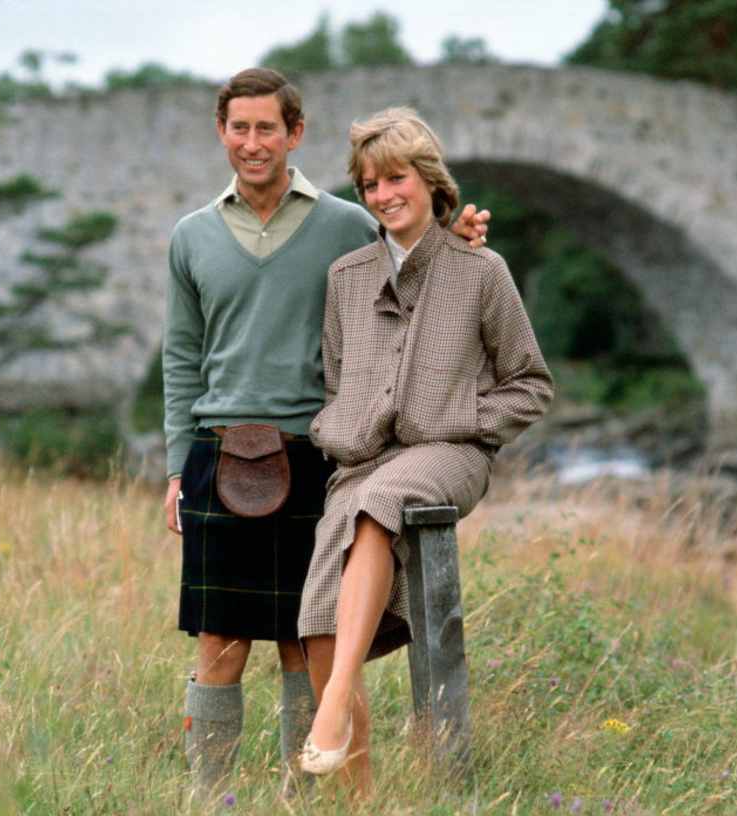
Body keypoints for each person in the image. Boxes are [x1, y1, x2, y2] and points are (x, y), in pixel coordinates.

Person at [162, 70, 490, 794]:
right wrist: (174, 466)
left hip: (312, 452)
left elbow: (415, 254)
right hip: (215, 452)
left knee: (301, 642)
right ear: (222, 133)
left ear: (294, 134)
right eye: (239, 128)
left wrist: (460, 239)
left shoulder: (347, 223)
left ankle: (298, 799)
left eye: (267, 128)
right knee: (219, 643)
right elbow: (181, 357)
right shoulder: (190, 237)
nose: (253, 143)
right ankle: (208, 800)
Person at [297, 107, 554, 792]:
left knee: (379, 505)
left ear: (428, 179)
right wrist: (345, 423)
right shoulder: (346, 278)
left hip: (453, 457)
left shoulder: (481, 270)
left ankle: (332, 707)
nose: (383, 196)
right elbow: (337, 377)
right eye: (369, 185)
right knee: (316, 616)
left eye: (396, 178)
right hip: (365, 461)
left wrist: (463, 415)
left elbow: (531, 384)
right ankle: (361, 802)